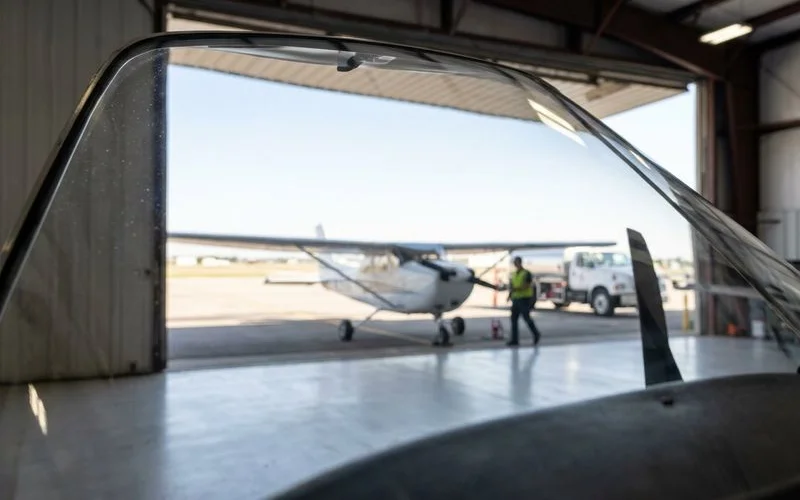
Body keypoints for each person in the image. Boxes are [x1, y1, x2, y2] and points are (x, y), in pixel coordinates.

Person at [507, 256, 541, 347]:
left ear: (519, 262)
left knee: (527, 318)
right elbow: (512, 286)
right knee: (514, 320)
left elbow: (526, 285)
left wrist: (516, 289)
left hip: (524, 299)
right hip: (515, 299)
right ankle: (514, 340)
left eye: (516, 262)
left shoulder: (526, 273)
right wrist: (509, 295)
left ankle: (536, 334)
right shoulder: (514, 274)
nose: (515, 264)